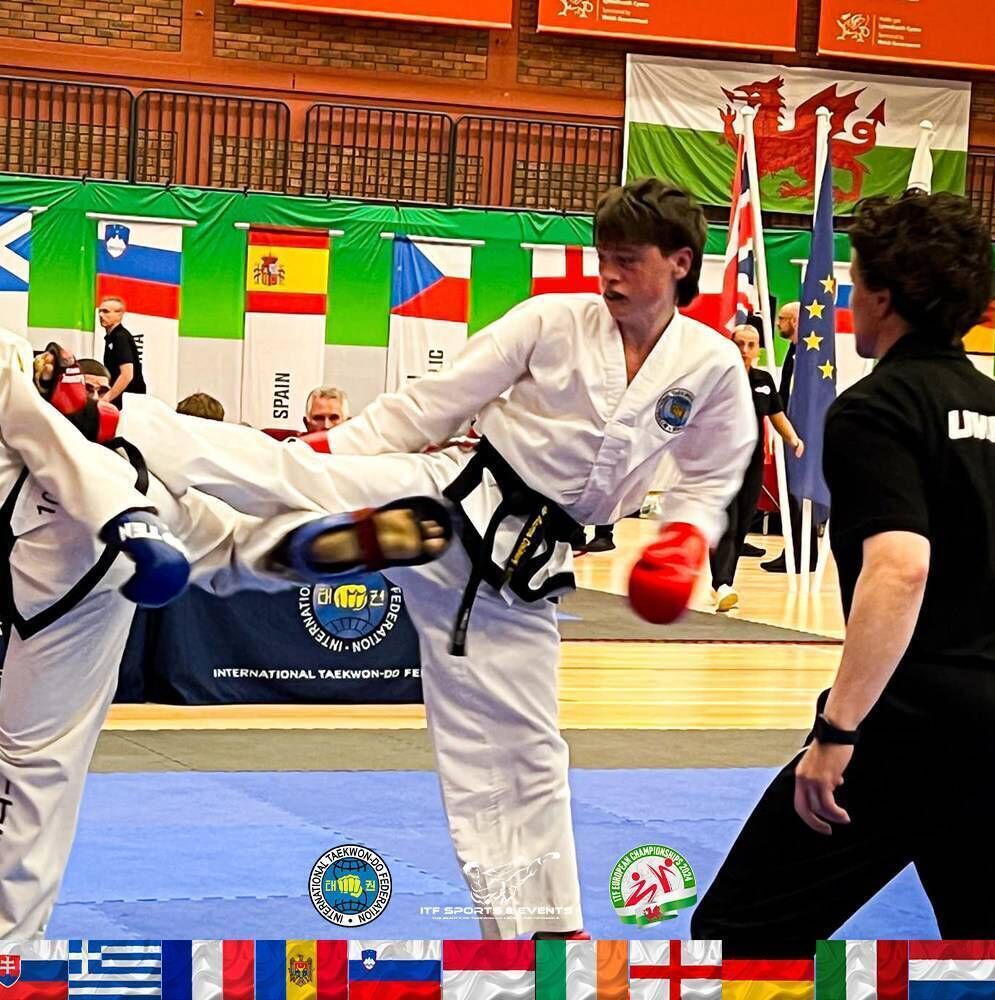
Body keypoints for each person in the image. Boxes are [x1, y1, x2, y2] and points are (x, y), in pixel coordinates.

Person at [100, 178, 758, 939]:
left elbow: (714, 474)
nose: (607, 275)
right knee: (297, 475)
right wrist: (333, 447)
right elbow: (432, 403)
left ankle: (540, 929)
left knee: (520, 751)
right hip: (449, 504)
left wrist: (682, 539)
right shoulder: (550, 320)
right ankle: (125, 427)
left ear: (679, 262)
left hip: (522, 577)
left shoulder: (708, 364)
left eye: (626, 260)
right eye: (601, 257)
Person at [1, 332, 452, 938]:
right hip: (131, 446)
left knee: (35, 760)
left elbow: (46, 441)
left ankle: (7, 949)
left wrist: (124, 523)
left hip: (67, 529)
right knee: (258, 500)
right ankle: (311, 537)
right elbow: (33, 417)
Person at [691, 190, 995, 954]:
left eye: (853, 284)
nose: (847, 303)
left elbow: (898, 569)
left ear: (883, 298)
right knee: (982, 938)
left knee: (739, 932)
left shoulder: (876, 409)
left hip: (911, 722)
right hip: (993, 721)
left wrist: (837, 730)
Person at [711, 324, 803, 612]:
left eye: (752, 345)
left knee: (741, 525)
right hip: (721, 462)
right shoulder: (719, 377)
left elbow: (776, 415)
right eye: (740, 344)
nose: (746, 351)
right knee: (726, 522)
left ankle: (726, 582)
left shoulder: (764, 380)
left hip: (752, 464)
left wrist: (793, 439)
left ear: (759, 348)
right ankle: (721, 582)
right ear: (731, 344)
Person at [762, 301, 818, 573]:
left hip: (801, 432)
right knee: (794, 494)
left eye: (781, 319)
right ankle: (800, 551)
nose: (777, 324)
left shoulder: (808, 354)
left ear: (795, 321)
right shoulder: (796, 350)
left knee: (797, 494)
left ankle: (799, 554)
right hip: (791, 429)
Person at [98, 296, 147, 408]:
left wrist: (107, 398)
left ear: (119, 315)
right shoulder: (112, 337)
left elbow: (127, 374)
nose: (101, 315)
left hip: (129, 402)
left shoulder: (120, 337)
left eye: (106, 312)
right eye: (100, 311)